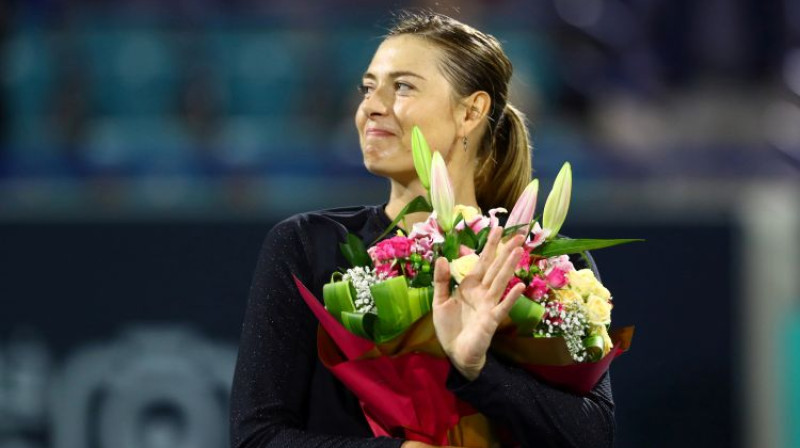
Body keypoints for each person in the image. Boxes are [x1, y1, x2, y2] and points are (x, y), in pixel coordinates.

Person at [230, 12, 614, 448]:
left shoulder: (547, 266)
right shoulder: (308, 245)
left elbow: (593, 438)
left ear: (471, 112)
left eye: (403, 86)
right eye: (368, 88)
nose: (371, 106)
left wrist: (477, 370)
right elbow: (257, 438)